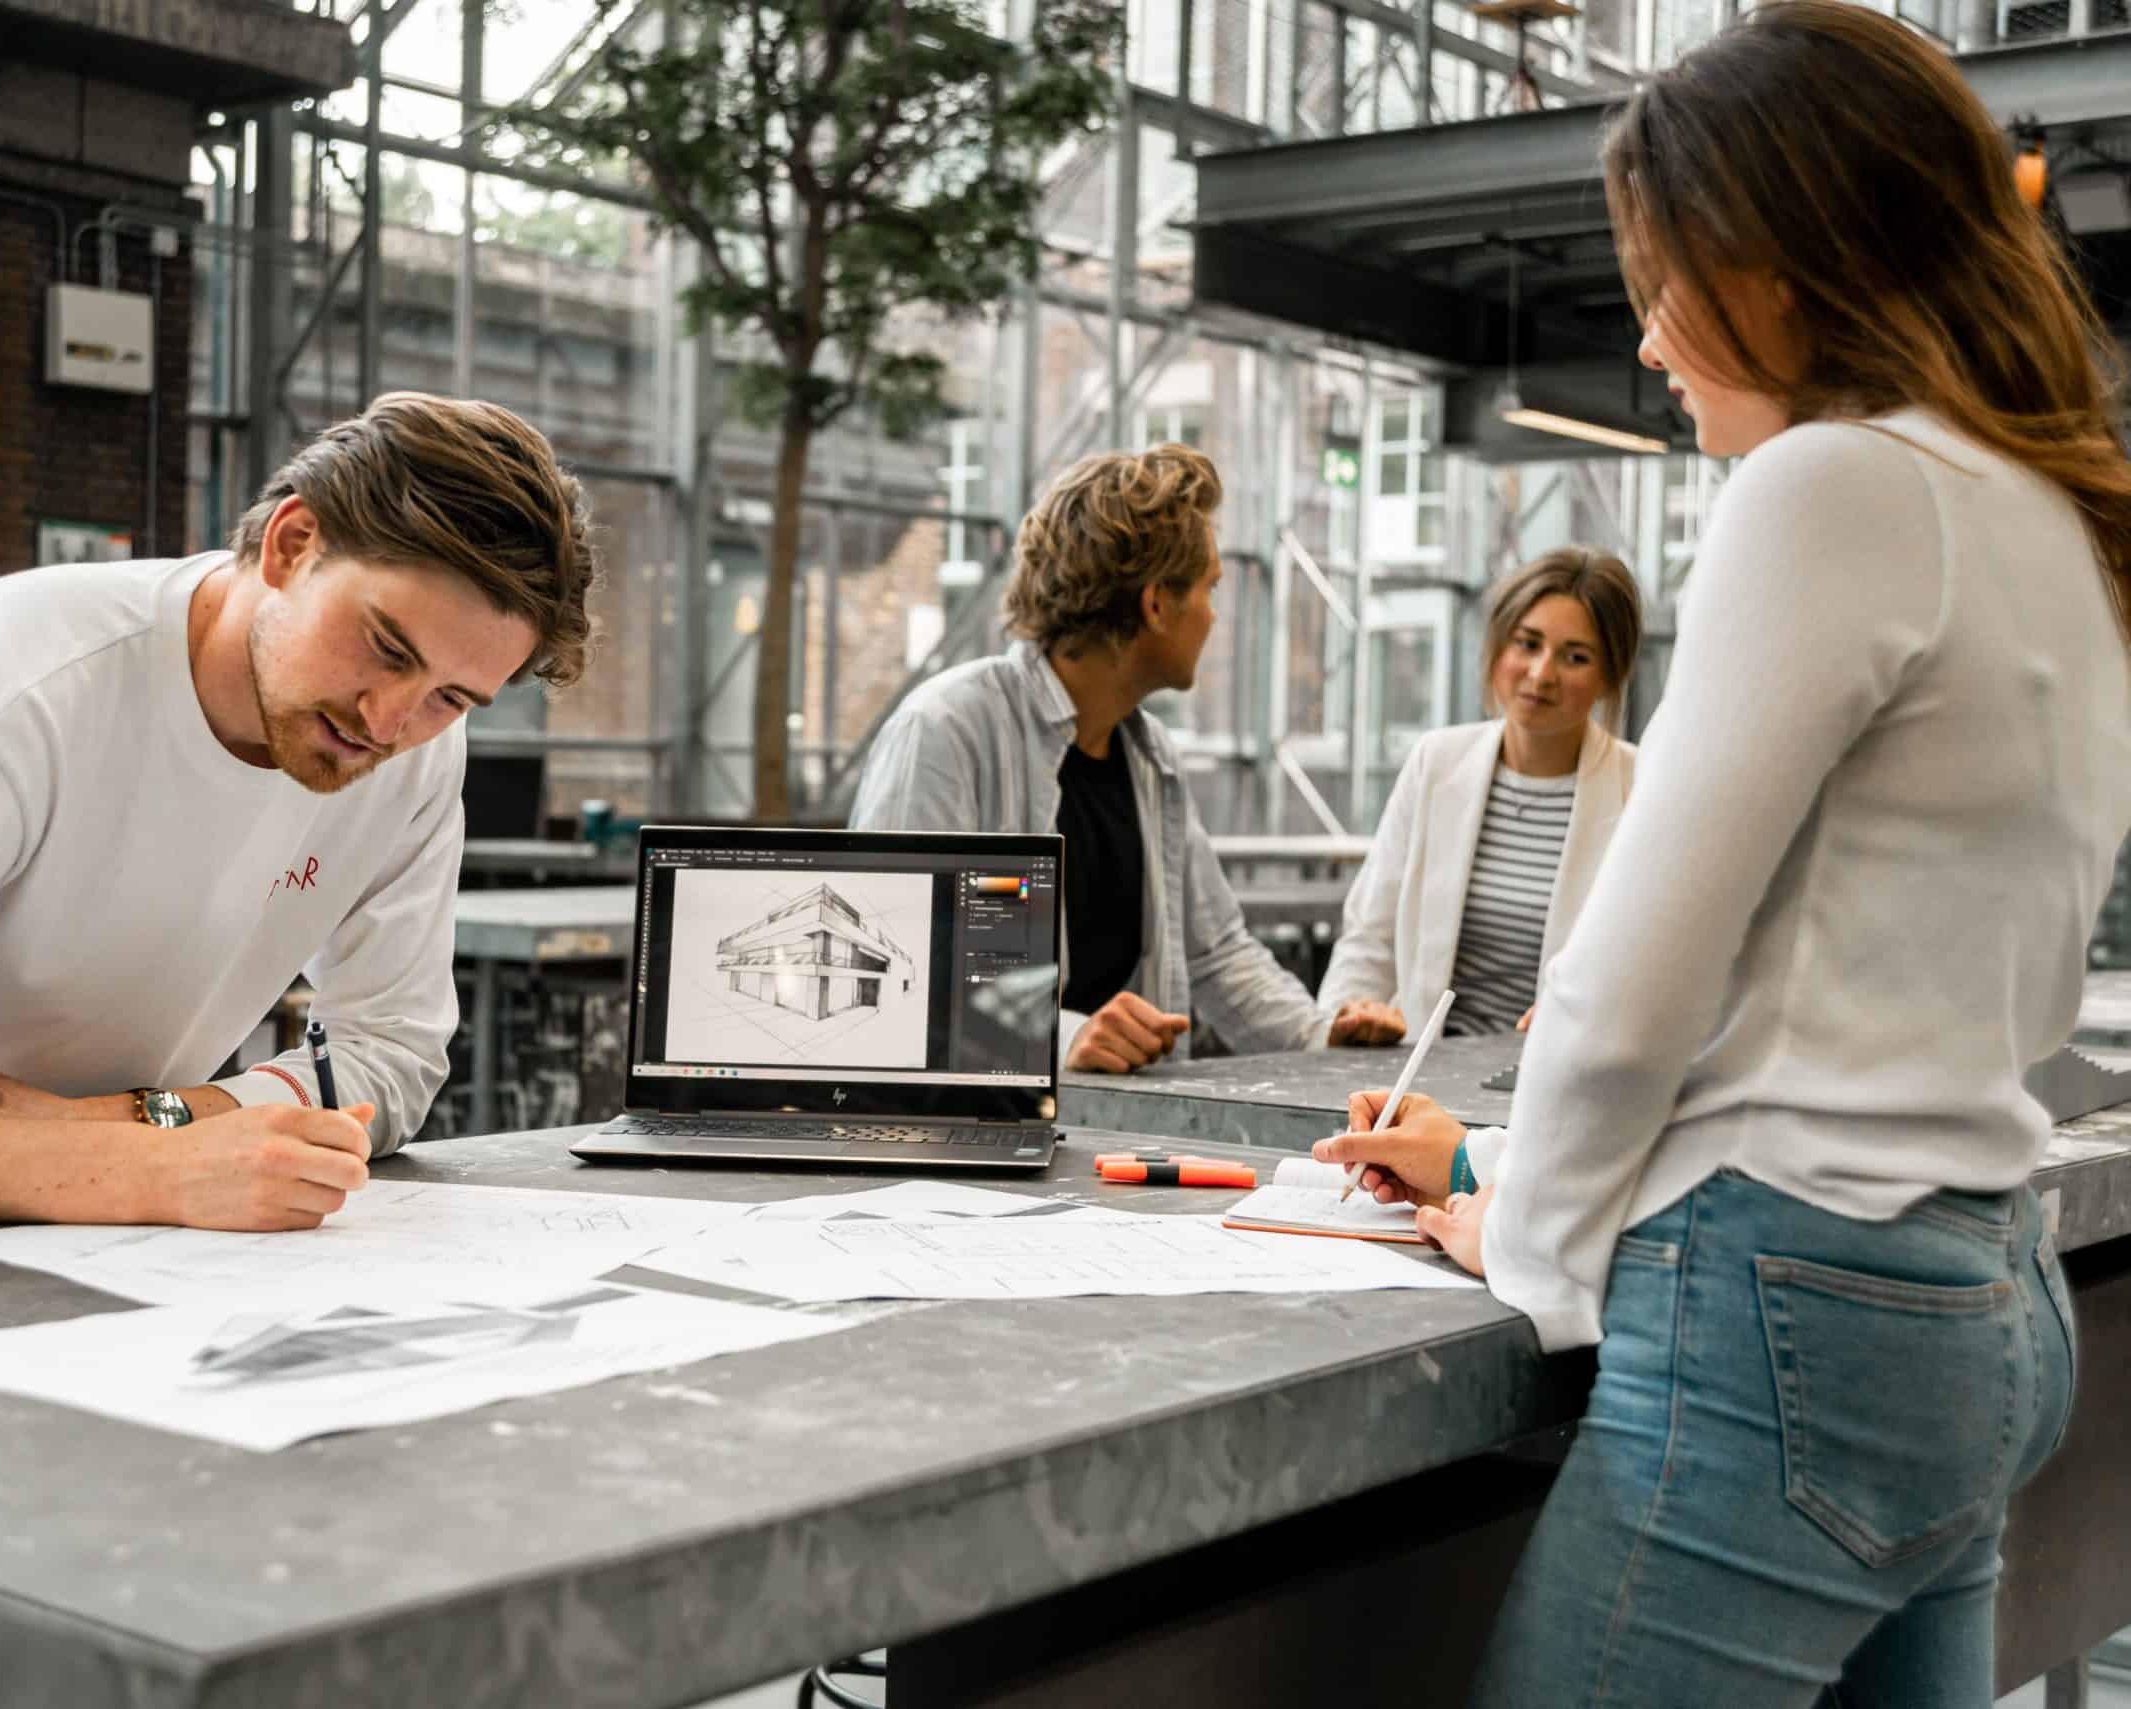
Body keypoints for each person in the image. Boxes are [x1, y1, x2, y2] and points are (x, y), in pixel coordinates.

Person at [1312, 5, 2131, 1701]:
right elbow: (1909, 973)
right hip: (1974, 1289)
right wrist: (1490, 1168)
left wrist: (1528, 1244)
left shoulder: (1836, 483)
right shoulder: (2058, 508)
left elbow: (1630, 980)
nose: (1651, 332)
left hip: (1791, 1316)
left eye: (1664, 271)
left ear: (1776, 261)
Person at [0, 392, 596, 1230]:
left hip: (64, 1178)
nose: (391, 721)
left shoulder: (413, 748)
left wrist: (150, 1120)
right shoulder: (8, 694)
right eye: (385, 644)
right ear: (294, 543)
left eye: (452, 697)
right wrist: (163, 1169)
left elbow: (393, 1052)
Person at [851, 443, 1397, 1073]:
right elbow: (893, 967)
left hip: (1118, 1125)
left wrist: (1322, 1034)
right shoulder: (947, 730)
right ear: (1157, 603)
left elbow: (1216, 954)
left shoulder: (1147, 754)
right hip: (979, 1129)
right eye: (1210, 588)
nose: (1215, 616)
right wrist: (1064, 1038)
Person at [1318, 548, 1642, 1040]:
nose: (1541, 674)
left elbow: (1660, 966)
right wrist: (1346, 1021)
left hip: (1554, 1083)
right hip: (1422, 1072)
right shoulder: (1436, 762)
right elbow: (1370, 938)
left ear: (1609, 677)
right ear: (1496, 648)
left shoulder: (1640, 789)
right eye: (1527, 644)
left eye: (1575, 657)